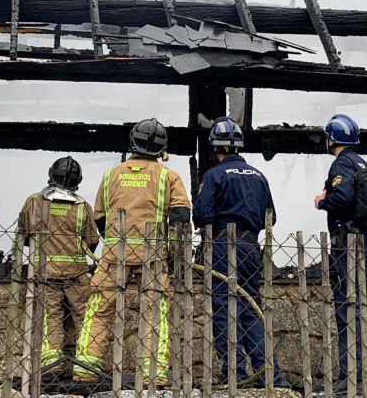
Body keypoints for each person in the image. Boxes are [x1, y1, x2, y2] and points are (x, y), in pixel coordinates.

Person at [73, 118, 191, 386]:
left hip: (115, 252)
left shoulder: (111, 175)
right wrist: (175, 254)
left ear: (131, 142)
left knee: (100, 309)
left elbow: (99, 219)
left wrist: (114, 242)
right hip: (153, 254)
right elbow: (180, 216)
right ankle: (154, 373)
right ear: (162, 149)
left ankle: (85, 370)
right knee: (154, 312)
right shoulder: (168, 176)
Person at [193, 117, 286, 388]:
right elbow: (272, 216)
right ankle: (269, 375)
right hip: (250, 247)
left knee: (224, 306)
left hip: (223, 245)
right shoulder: (259, 176)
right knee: (250, 308)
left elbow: (203, 214)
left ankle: (235, 374)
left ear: (215, 148)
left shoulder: (214, 175)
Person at [19, 156, 100, 380]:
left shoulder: (33, 201)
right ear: (78, 181)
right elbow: (92, 241)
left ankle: (52, 365)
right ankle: (86, 368)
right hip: (77, 273)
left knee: (49, 316)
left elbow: (23, 236)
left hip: (44, 272)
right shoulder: (82, 206)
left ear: (51, 174)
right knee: (85, 317)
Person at [314, 114, 367, 392]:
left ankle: (351, 375)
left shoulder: (341, 163)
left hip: (347, 246)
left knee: (347, 310)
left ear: (331, 138)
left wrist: (322, 201)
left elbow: (343, 198)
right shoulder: (362, 162)